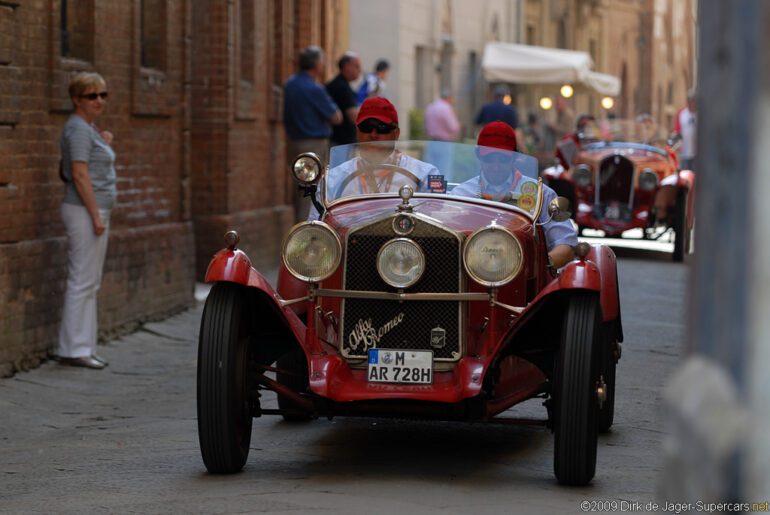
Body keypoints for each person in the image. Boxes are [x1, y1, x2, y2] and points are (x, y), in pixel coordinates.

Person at [451, 121, 577, 269]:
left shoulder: (542, 194)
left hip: (526, 277)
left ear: (514, 157)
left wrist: (540, 264)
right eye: (489, 159)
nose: (496, 166)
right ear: (478, 155)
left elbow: (566, 243)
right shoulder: (460, 195)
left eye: (503, 159)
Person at [57, 72, 116, 369]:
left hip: (90, 210)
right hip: (84, 210)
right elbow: (79, 174)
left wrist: (102, 140)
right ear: (76, 99)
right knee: (82, 279)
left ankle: (84, 346)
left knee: (90, 281)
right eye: (92, 96)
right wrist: (95, 215)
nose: (99, 101)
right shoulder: (78, 129)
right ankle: (74, 349)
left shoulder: (87, 129)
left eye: (103, 95)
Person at [309, 97, 437, 220]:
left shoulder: (425, 174)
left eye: (382, 128)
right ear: (357, 132)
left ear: (396, 134)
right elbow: (316, 230)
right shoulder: (333, 179)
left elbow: (440, 222)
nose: (373, 134)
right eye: (366, 127)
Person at [283, 45, 343, 221]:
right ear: (316, 65)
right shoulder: (314, 88)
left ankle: (300, 225)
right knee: (312, 192)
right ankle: (307, 230)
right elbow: (336, 117)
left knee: (299, 191)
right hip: (313, 144)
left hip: (293, 142)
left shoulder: (290, 84)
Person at [325, 51, 362, 147]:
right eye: (357, 66)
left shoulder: (339, 84)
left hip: (339, 141)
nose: (359, 70)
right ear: (347, 66)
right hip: (340, 143)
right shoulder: (341, 86)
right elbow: (353, 116)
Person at [671, 88, 697, 170]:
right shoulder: (682, 114)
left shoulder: (701, 114)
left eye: (693, 101)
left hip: (697, 154)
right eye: (689, 101)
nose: (691, 103)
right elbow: (676, 132)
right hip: (684, 153)